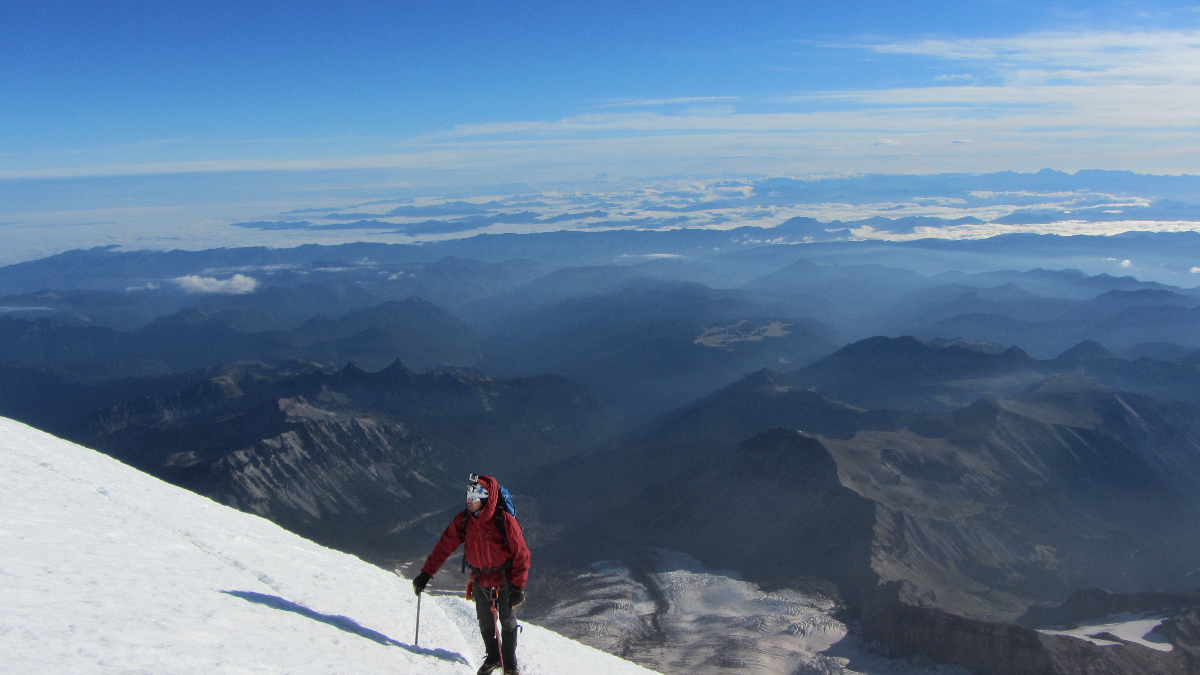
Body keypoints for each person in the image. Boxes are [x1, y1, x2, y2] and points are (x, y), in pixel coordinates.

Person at [412, 474, 530, 675]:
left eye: (474, 497)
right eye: (468, 495)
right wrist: (425, 574)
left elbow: (521, 554)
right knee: (485, 621)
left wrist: (518, 587)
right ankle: (493, 657)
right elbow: (443, 547)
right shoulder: (464, 521)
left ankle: (509, 664)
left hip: (505, 580)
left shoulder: (503, 520)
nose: (469, 500)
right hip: (481, 579)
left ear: (484, 499)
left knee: (508, 621)